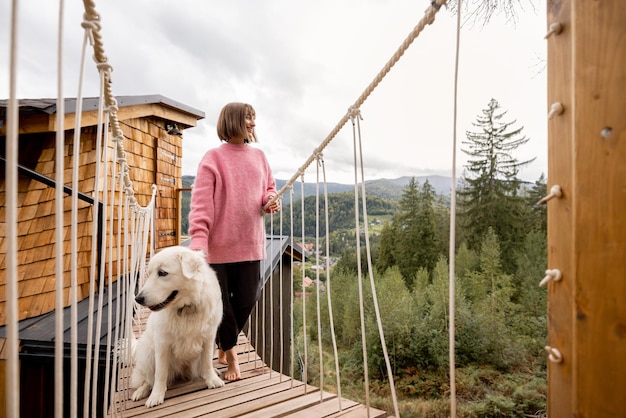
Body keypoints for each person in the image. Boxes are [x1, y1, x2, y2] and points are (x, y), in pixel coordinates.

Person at [188, 102, 280, 381]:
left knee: (247, 301)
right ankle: (231, 357)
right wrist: (198, 241)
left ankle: (223, 343)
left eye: (254, 117)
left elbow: (269, 189)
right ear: (233, 122)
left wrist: (270, 201)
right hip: (216, 248)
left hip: (251, 243)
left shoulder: (260, 156)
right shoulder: (213, 158)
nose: (253, 122)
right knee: (220, 306)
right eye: (248, 117)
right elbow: (201, 204)